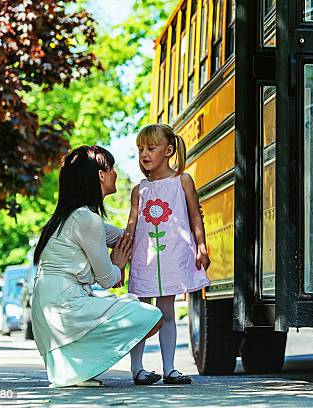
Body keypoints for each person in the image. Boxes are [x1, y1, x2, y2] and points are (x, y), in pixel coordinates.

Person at [31, 145, 164, 388]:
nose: (116, 174)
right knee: (153, 317)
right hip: (65, 307)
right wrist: (119, 264)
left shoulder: (75, 216)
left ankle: (77, 369)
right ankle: (79, 368)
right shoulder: (86, 219)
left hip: (51, 309)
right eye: (112, 168)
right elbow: (108, 279)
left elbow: (125, 238)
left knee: (133, 305)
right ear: (101, 175)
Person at [125, 124, 210, 385]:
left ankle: (169, 368)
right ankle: (137, 369)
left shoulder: (182, 180)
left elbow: (196, 215)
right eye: (140, 149)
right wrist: (121, 258)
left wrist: (202, 246)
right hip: (144, 259)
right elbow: (131, 225)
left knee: (167, 312)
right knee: (142, 313)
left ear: (169, 150)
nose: (144, 154)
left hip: (172, 257)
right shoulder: (139, 189)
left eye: (151, 148)